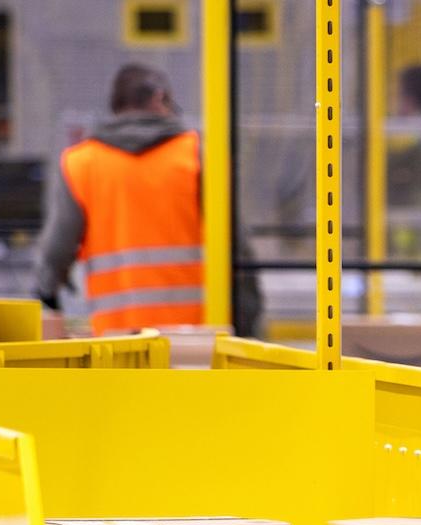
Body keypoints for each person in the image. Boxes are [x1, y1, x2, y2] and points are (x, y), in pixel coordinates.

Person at [33, 64, 261, 337]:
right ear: (158, 98)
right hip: (196, 341)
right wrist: (248, 321)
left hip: (116, 342)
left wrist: (47, 294)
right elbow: (237, 247)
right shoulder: (198, 155)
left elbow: (55, 252)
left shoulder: (81, 163)